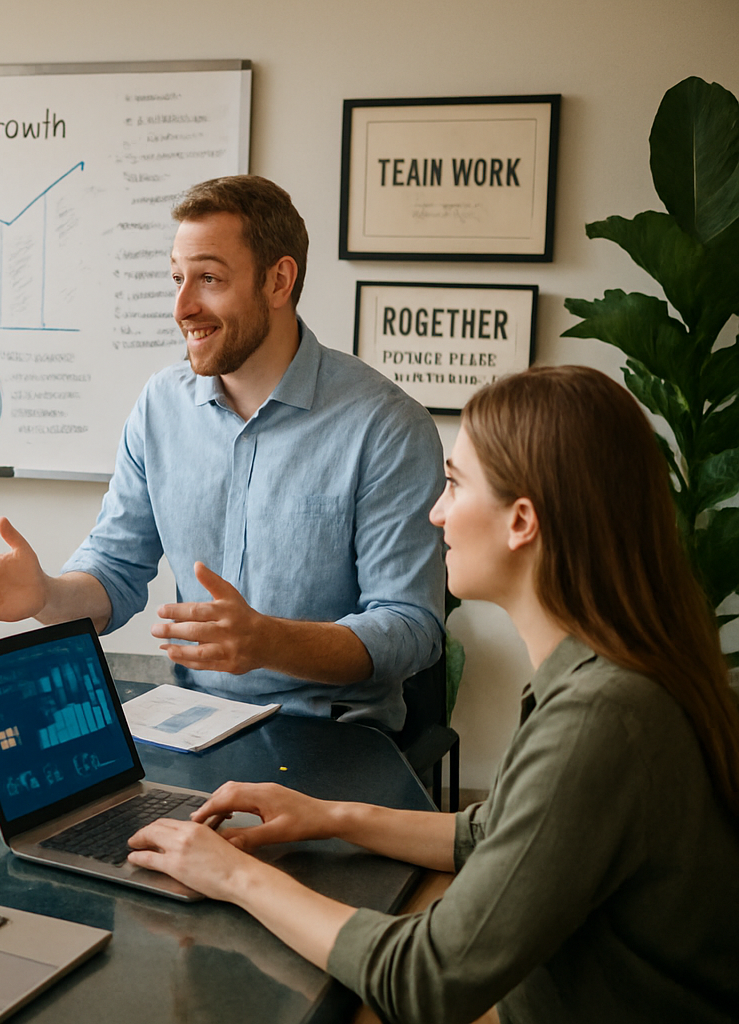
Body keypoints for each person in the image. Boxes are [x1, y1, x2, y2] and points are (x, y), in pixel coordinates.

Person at [125, 366, 739, 1023]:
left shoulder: (601, 718)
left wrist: (235, 877)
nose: (436, 512)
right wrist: (328, 816)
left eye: (453, 484)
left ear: (521, 521)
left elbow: (428, 979)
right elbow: (500, 831)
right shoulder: (616, 676)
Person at [0, 175, 444, 730]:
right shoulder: (160, 405)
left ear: (278, 281)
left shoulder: (385, 424)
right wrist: (47, 594)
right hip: (195, 720)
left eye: (209, 278)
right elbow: (114, 569)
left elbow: (410, 627)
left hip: (331, 733)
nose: (183, 306)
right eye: (177, 278)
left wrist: (268, 642)